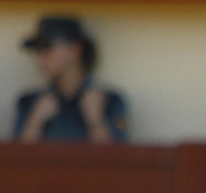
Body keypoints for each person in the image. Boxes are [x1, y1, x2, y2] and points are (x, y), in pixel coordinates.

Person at [14, 16, 129, 144]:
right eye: (37, 50)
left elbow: (116, 159)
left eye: (47, 47)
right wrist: (35, 121)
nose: (40, 57)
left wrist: (96, 120)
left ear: (75, 49)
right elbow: (16, 159)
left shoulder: (110, 101)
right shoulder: (29, 102)